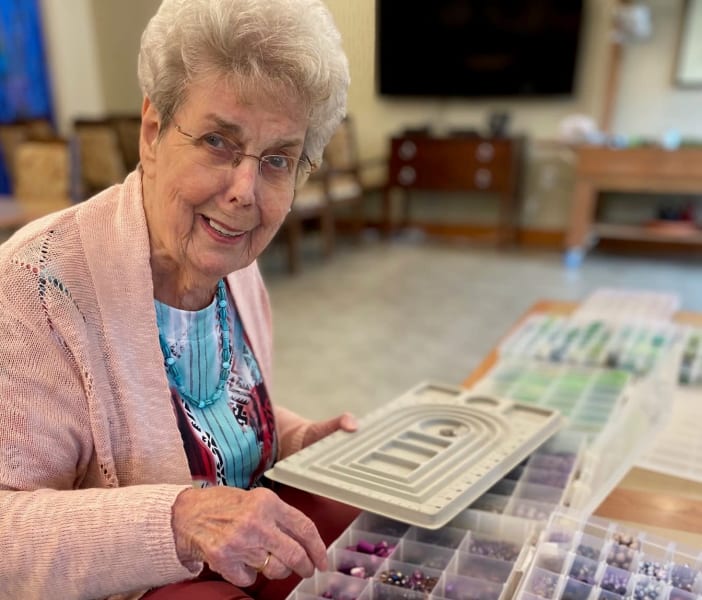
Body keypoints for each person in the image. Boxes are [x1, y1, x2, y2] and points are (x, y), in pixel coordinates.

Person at [0, 0, 360, 598]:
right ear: (153, 131)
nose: (245, 191)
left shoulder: (230, 259)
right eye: (218, 141)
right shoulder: (37, 285)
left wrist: (297, 439)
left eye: (278, 160)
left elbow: (206, 409)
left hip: (236, 557)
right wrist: (178, 522)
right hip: (118, 583)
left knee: (356, 535)